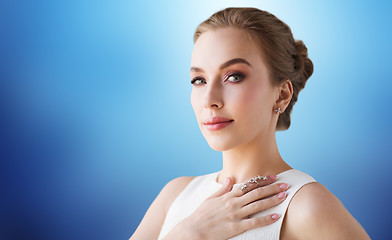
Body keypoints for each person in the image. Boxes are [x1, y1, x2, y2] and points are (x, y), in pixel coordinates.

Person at [130, 7, 371, 240]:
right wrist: (189, 234)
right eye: (199, 80)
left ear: (282, 95)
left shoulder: (305, 206)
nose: (210, 100)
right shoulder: (176, 194)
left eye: (234, 76)